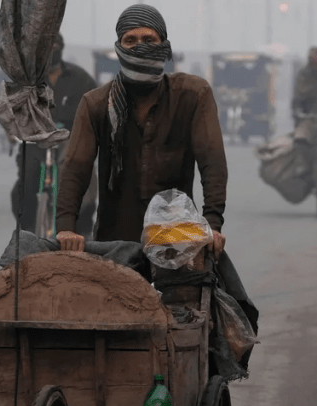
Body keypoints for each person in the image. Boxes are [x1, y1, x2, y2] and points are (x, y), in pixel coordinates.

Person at [55, 4, 228, 257]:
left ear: (164, 45)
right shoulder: (96, 104)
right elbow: (75, 168)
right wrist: (66, 228)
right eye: (130, 40)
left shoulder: (192, 96)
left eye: (149, 39)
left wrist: (212, 224)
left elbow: (212, 161)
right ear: (118, 48)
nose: (139, 46)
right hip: (114, 244)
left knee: (218, 293)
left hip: (177, 239)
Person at [11, 33, 99, 238]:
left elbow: (96, 108)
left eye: (55, 45)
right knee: (26, 176)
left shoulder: (81, 78)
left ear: (62, 47)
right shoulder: (27, 81)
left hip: (70, 137)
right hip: (37, 139)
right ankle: (28, 229)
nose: (50, 51)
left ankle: (83, 225)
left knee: (77, 169)